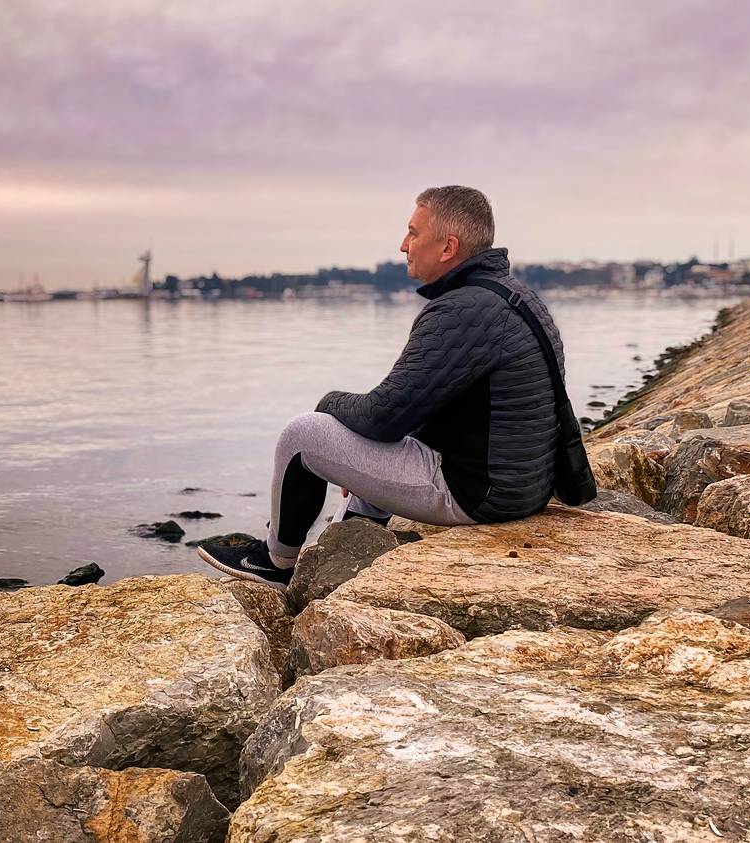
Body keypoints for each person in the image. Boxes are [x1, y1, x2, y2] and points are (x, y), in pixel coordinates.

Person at [197, 185, 567, 591]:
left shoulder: (461, 309)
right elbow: (421, 406)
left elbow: (383, 417)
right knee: (376, 440)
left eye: (413, 232)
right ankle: (343, 549)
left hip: (482, 493)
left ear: (447, 247)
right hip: (524, 484)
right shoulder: (512, 297)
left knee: (303, 434)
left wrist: (328, 405)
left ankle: (274, 561)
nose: (403, 244)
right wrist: (358, 446)